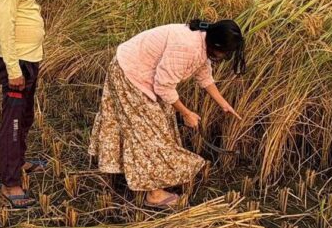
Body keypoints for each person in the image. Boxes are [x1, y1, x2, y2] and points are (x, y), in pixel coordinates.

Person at [88, 19, 246, 208]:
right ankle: (154, 194)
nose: (225, 57)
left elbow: (203, 74)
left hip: (142, 74)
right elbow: (163, 86)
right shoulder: (187, 46)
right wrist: (186, 113)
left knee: (156, 127)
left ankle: (142, 174)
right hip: (129, 74)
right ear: (216, 45)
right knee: (149, 133)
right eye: (226, 53)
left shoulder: (203, 39)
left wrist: (223, 104)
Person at [0, 0, 46, 208]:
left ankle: (19, 161)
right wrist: (13, 70)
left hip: (28, 59)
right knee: (13, 122)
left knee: (24, 117)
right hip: (17, 62)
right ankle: (10, 183)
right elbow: (4, 27)